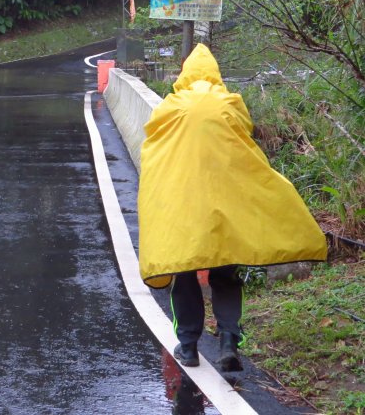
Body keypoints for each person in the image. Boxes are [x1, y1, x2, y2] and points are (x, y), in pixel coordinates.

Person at [137, 43, 328, 371]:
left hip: (184, 206)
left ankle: (188, 346)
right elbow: (245, 143)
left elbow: (153, 146)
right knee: (225, 274)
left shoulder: (171, 106)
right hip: (225, 206)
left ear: (184, 74)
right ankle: (228, 342)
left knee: (184, 273)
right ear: (214, 73)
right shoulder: (230, 103)